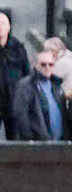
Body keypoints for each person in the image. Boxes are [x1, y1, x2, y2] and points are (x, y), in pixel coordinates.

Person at [9, 49, 64, 142]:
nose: (47, 67)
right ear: (36, 65)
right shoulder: (25, 85)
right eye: (43, 64)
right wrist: (30, 139)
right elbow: (20, 115)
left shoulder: (57, 85)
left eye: (50, 64)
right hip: (37, 144)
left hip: (58, 143)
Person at [0, 12, 29, 140]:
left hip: (13, 101)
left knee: (15, 139)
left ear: (9, 27)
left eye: (2, 23)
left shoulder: (18, 49)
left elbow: (26, 74)